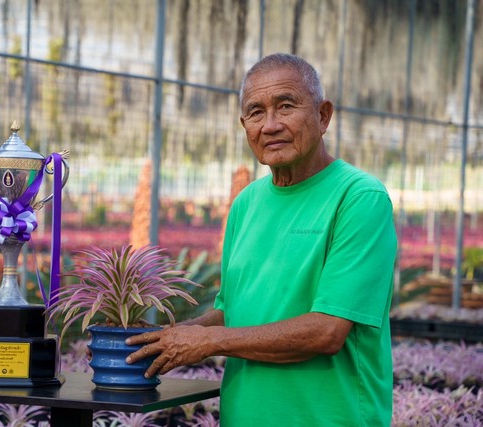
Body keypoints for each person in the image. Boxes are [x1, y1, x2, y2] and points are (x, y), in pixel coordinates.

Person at [126, 53, 398, 426]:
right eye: (256, 112)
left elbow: (326, 331)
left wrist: (209, 342)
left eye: (285, 106)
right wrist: (172, 337)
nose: (270, 125)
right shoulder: (246, 205)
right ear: (244, 125)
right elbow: (231, 311)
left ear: (323, 116)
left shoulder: (358, 198)